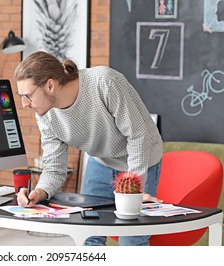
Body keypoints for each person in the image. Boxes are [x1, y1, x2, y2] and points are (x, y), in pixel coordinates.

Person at [14, 51, 163, 246]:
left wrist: (134, 189)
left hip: (140, 157)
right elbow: (54, 167)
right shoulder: (45, 114)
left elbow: (137, 135)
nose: (24, 104)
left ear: (50, 85)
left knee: (131, 238)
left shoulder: (104, 82)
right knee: (88, 234)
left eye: (27, 96)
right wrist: (40, 192)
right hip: (100, 160)